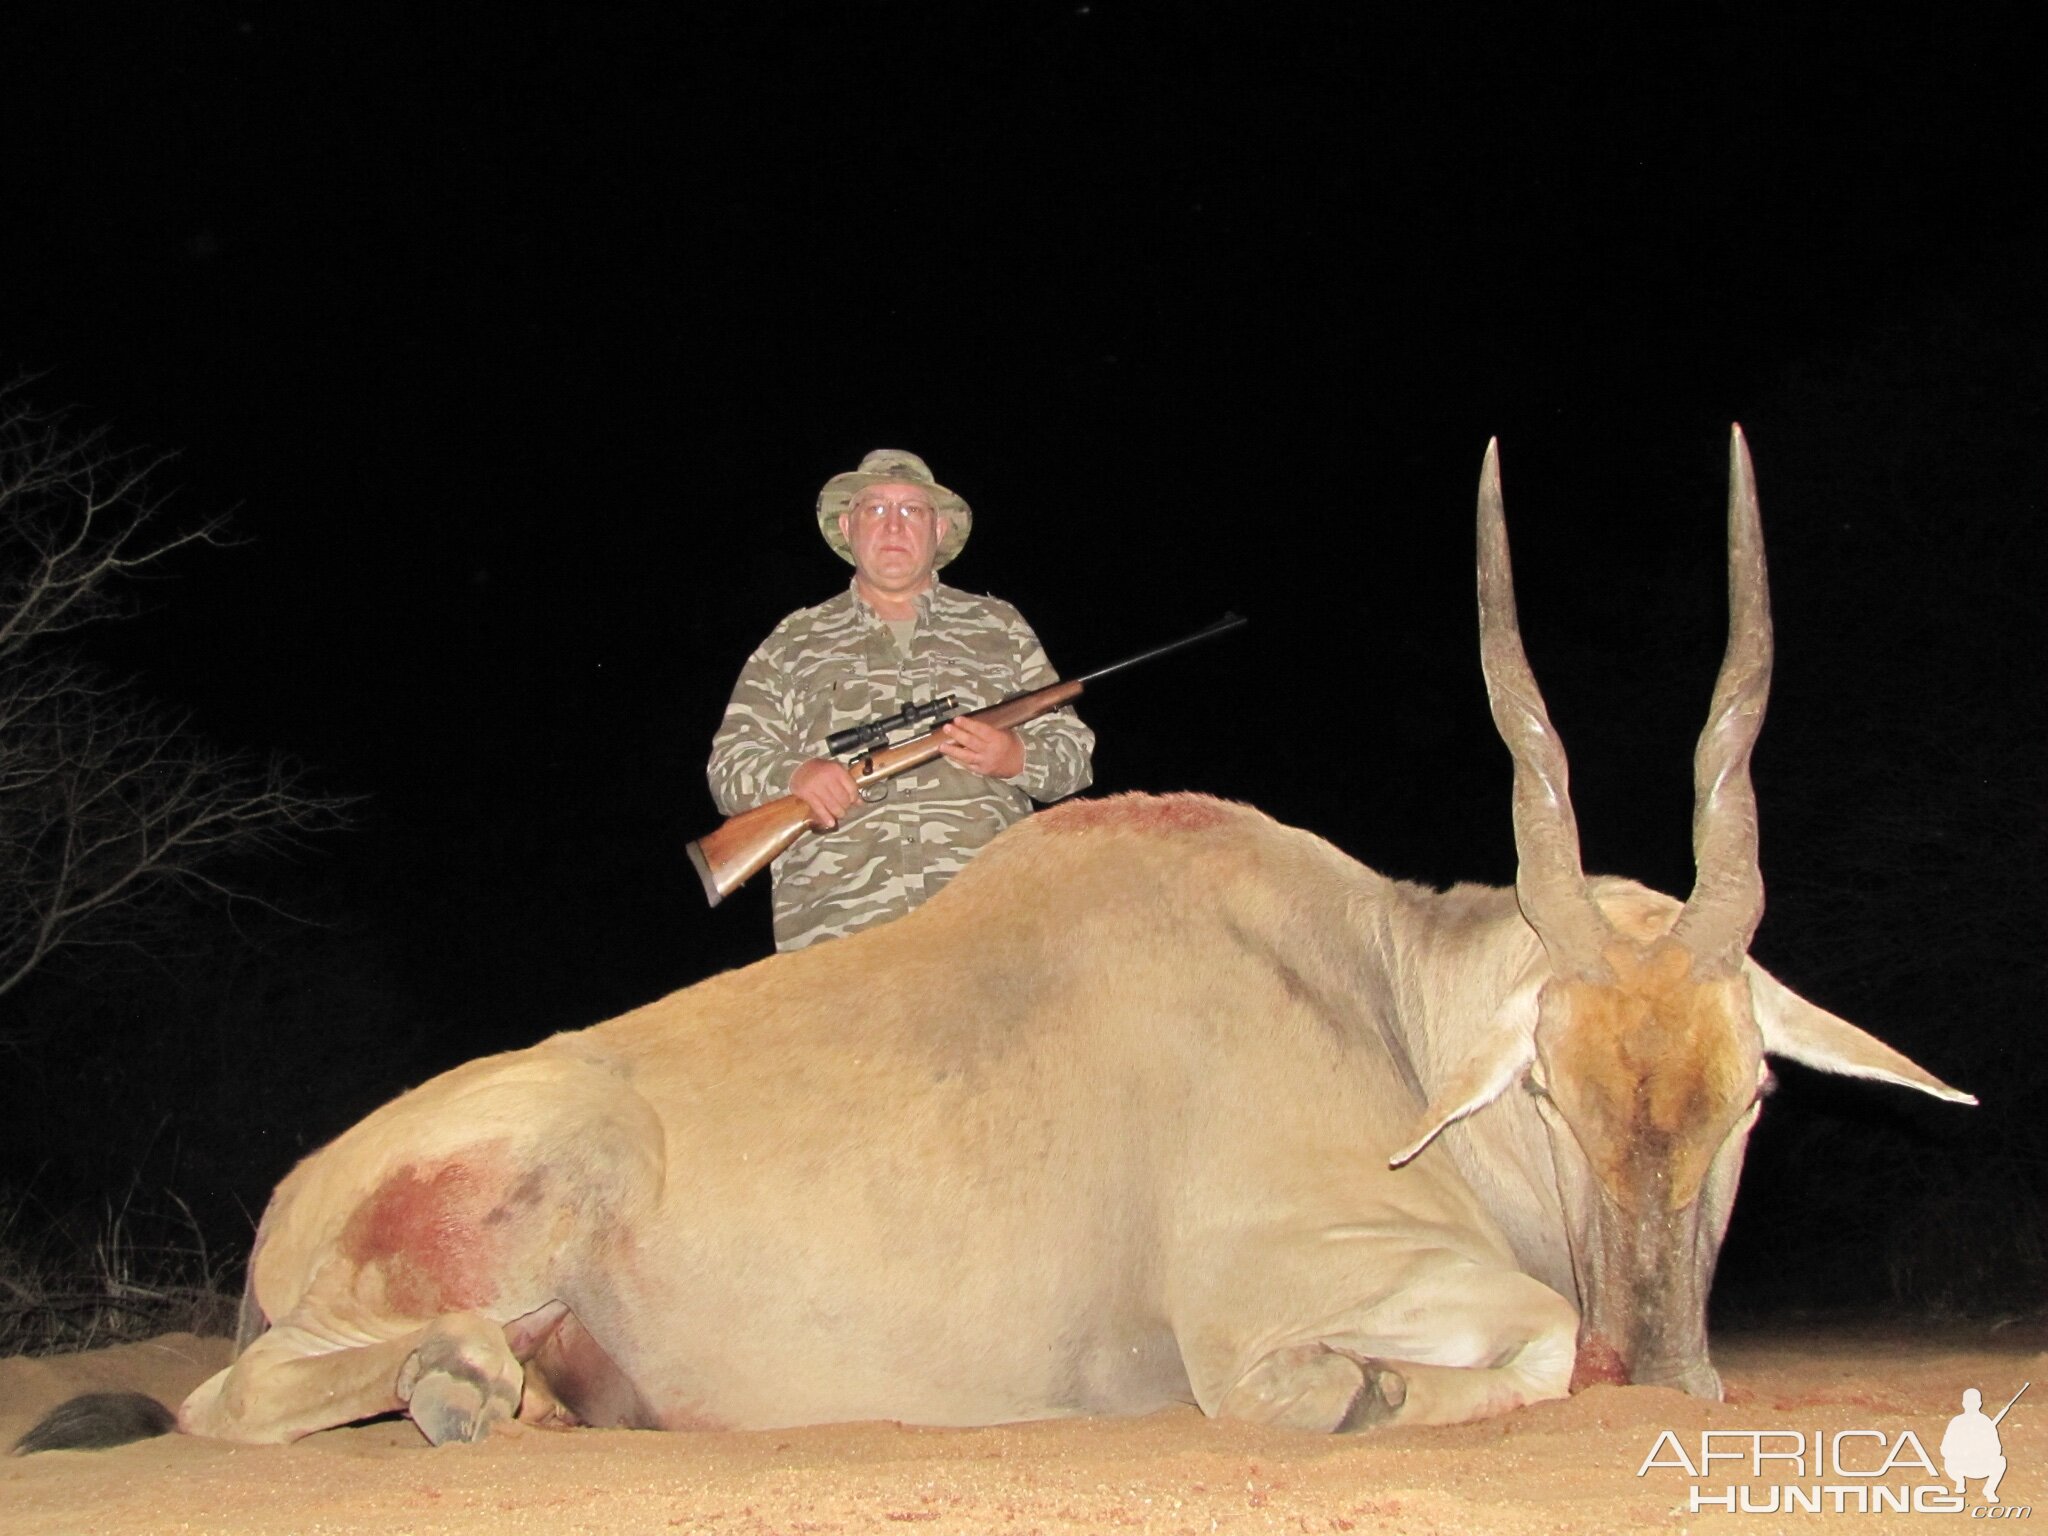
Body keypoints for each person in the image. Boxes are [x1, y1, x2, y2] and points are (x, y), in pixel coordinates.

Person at [708, 449, 1094, 951]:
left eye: (912, 510)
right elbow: (729, 765)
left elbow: (1073, 754)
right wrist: (797, 774)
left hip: (992, 925)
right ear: (848, 526)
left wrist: (1014, 757)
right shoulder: (793, 641)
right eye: (876, 509)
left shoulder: (999, 626)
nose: (894, 526)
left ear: (937, 531)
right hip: (839, 935)